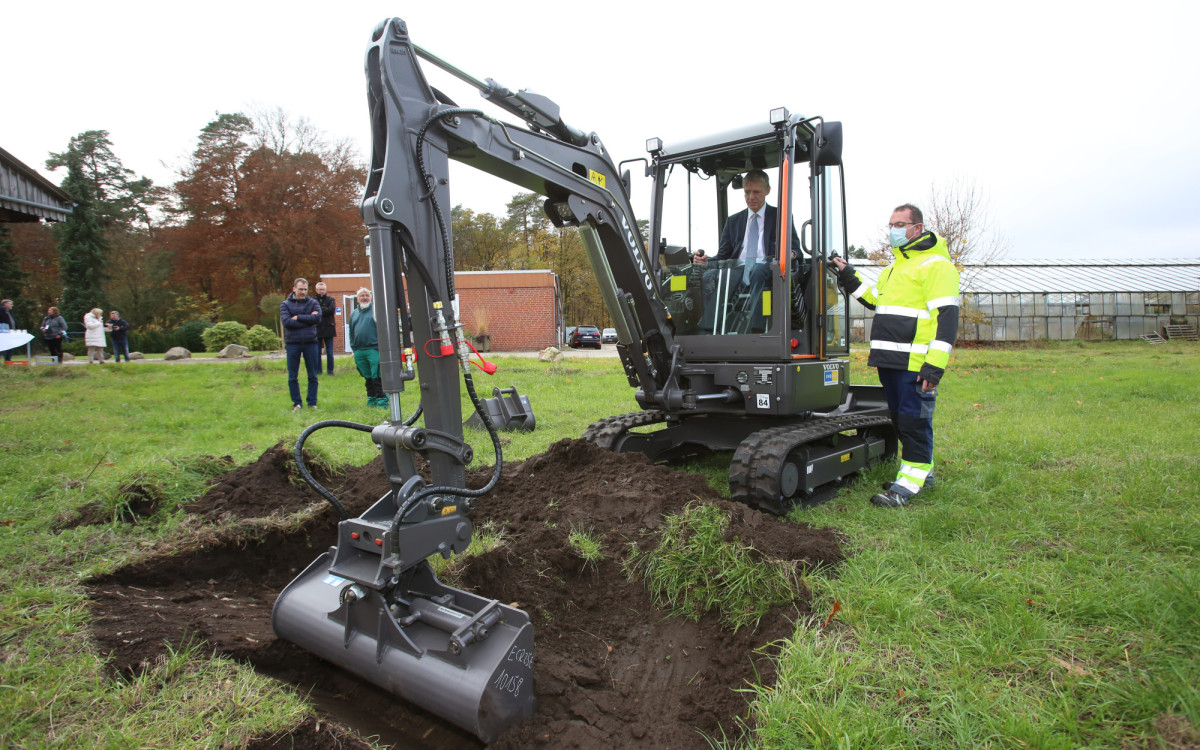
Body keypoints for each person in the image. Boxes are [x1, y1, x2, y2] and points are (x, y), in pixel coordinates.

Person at [833, 204, 960, 507]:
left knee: (913, 422)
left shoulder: (936, 265)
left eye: (900, 224)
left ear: (918, 228)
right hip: (889, 361)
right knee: (901, 421)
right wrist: (848, 274)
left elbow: (947, 319)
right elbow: (876, 300)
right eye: (891, 224)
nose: (894, 231)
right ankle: (920, 475)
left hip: (915, 364)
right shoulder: (894, 268)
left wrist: (934, 367)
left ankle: (904, 490)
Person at [693, 170, 803, 333]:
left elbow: (795, 250)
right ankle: (709, 328)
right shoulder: (733, 221)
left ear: (767, 191)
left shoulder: (780, 217)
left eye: (756, 192)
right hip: (739, 269)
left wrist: (791, 254)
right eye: (747, 192)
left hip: (768, 268)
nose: (751, 197)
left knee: (758, 271)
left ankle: (756, 328)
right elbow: (723, 257)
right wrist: (706, 262)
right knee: (716, 275)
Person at [281, 278, 322, 411]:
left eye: (305, 289)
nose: (303, 292)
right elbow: (287, 322)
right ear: (294, 289)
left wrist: (298, 317)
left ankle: (312, 402)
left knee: (313, 375)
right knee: (293, 375)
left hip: (311, 343)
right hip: (293, 343)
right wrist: (308, 319)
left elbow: (317, 318)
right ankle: (296, 403)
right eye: (300, 289)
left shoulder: (313, 303)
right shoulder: (285, 305)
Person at [349, 287, 387, 408]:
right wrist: (354, 348)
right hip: (359, 350)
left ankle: (382, 400)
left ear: (370, 298)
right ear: (358, 298)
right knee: (367, 376)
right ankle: (372, 398)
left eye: (367, 295)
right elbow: (351, 332)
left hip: (374, 349)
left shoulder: (376, 311)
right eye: (362, 296)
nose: (364, 298)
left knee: (377, 375)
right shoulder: (354, 314)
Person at [313, 281, 337, 375]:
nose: (321, 291)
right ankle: (318, 371)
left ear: (326, 290)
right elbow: (311, 310)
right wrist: (324, 309)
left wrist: (318, 310)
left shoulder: (331, 300)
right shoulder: (312, 300)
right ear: (316, 290)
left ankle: (330, 371)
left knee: (330, 352)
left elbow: (331, 311)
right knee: (317, 352)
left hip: (329, 329)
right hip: (316, 329)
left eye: (323, 289)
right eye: (320, 289)